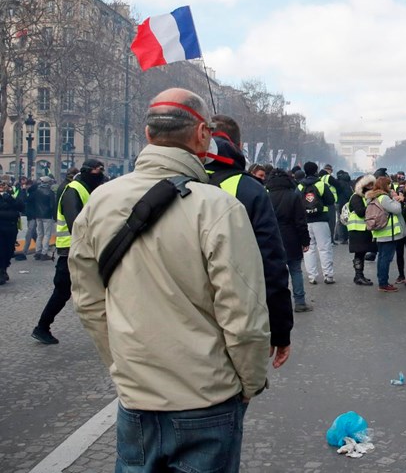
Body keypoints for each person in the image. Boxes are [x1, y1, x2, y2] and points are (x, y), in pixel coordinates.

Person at [69, 89, 270, 472]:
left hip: (137, 397)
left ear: (147, 135)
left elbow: (89, 302)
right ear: (202, 135)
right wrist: (249, 382)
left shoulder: (99, 201)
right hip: (207, 397)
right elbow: (243, 313)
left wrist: (123, 365)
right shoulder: (219, 207)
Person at [207, 116, 294, 359]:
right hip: (233, 310)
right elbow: (271, 263)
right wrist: (279, 329)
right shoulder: (250, 189)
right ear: (239, 144)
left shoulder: (166, 184)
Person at [31, 159, 105, 345]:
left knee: (87, 289)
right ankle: (42, 327)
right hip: (71, 249)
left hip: (78, 248)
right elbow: (75, 223)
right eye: (98, 171)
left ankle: (43, 327)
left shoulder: (84, 188)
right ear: (88, 171)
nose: (101, 174)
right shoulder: (74, 190)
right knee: (63, 290)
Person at [265, 168, 312, 312]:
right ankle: (300, 302)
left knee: (276, 273)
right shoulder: (293, 196)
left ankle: (279, 304)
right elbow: (300, 221)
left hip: (272, 238)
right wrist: (305, 241)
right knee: (296, 270)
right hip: (292, 237)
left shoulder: (265, 195)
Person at [299, 161, 336, 284]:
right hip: (321, 220)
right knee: (325, 248)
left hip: (305, 220)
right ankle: (328, 275)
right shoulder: (321, 184)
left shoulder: (300, 186)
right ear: (316, 171)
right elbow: (331, 200)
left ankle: (312, 276)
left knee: (309, 249)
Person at [368, 175, 406, 292]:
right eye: (388, 184)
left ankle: (382, 281)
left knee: (381, 258)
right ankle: (383, 283)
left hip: (380, 232)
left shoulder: (374, 197)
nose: (390, 186)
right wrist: (397, 198)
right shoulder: (384, 198)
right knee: (386, 258)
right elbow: (396, 209)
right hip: (388, 233)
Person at [346, 175, 376, 286]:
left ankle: (360, 275)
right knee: (359, 253)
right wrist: (370, 203)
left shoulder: (364, 197)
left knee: (362, 253)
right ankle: (358, 276)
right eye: (369, 184)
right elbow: (360, 212)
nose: (371, 186)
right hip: (357, 230)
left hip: (364, 230)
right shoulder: (356, 197)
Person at [0, 178, 24, 284]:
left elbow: (21, 206)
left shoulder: (13, 194)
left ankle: (4, 268)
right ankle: (1, 271)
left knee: (9, 250)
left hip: (11, 227)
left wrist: (9, 198)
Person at [27, 176, 57, 261]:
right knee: (47, 234)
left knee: (40, 234)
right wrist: (54, 216)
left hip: (38, 215)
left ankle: (38, 252)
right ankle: (44, 253)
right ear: (48, 183)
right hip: (47, 215)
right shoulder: (50, 192)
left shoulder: (36, 191)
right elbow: (52, 205)